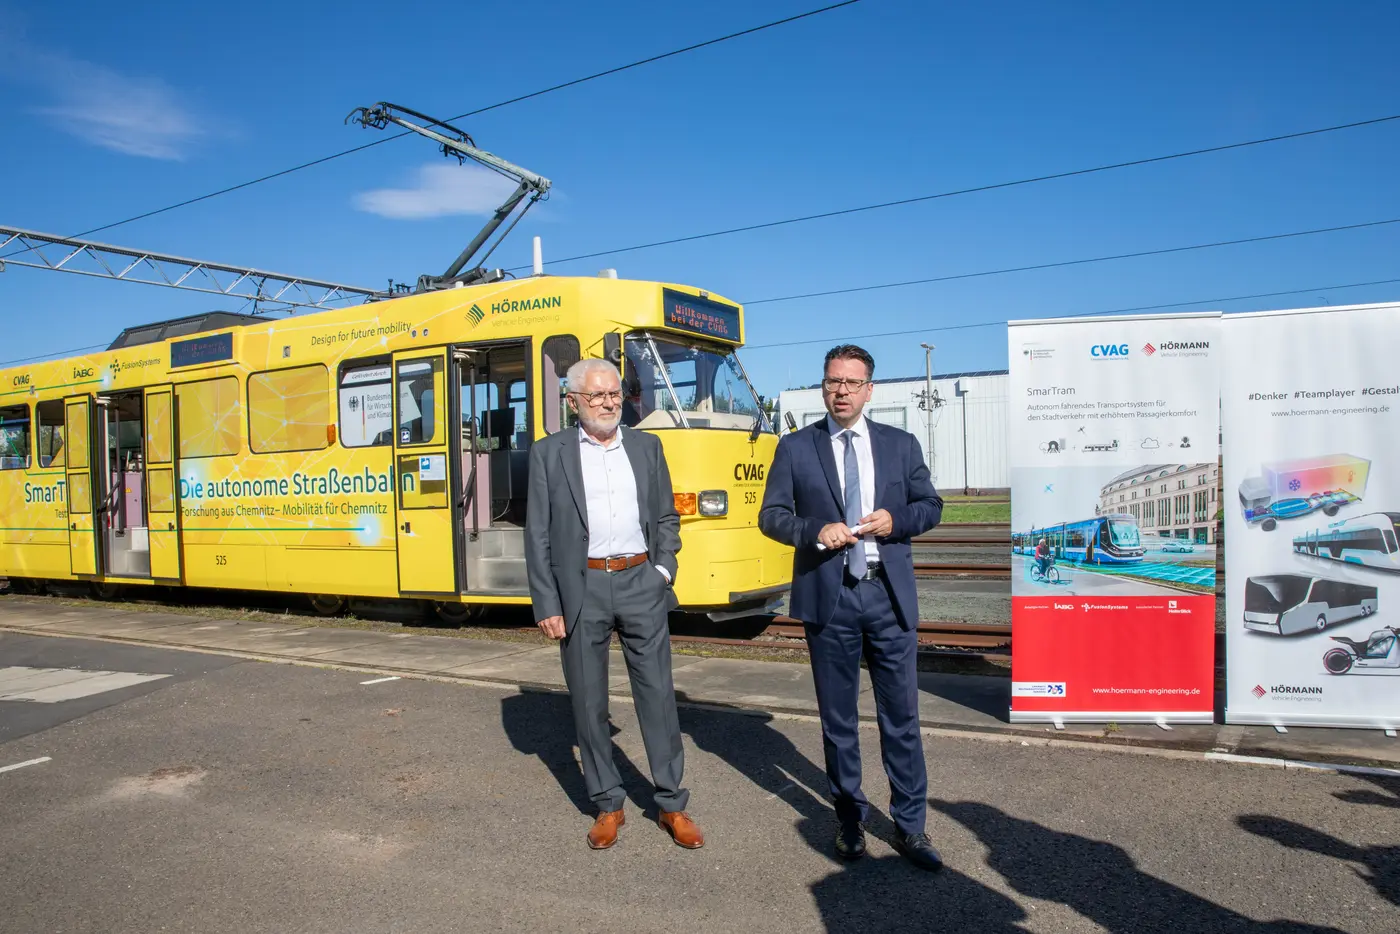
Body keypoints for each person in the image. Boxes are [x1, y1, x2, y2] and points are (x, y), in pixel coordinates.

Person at [758, 344, 945, 871]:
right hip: (831, 599)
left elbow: (930, 506)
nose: (840, 390)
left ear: (869, 389)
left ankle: (911, 828)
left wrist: (896, 522)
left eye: (851, 382)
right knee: (838, 722)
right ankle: (849, 819)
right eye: (832, 381)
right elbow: (771, 517)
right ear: (823, 385)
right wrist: (814, 531)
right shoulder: (796, 447)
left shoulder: (900, 445)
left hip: (887, 597)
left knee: (901, 719)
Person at [524, 358, 703, 851]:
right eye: (598, 396)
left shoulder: (647, 447)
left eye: (614, 395)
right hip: (581, 587)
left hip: (640, 582)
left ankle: (672, 804)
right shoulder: (548, 453)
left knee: (658, 696)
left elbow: (666, 515)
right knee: (588, 702)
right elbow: (537, 533)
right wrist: (547, 602)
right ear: (573, 401)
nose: (608, 403)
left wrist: (662, 571)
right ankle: (608, 804)